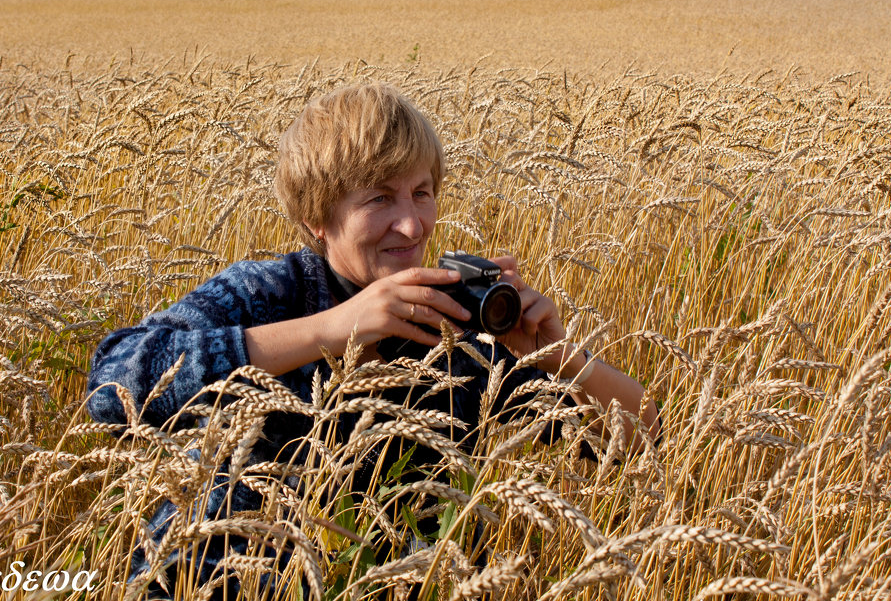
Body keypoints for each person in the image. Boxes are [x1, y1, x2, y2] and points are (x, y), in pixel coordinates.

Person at [86, 83, 659, 597]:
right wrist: (332, 329)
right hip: (214, 579)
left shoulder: (458, 323)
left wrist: (563, 361)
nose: (412, 225)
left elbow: (651, 444)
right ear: (318, 217)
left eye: (423, 192)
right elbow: (111, 385)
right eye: (380, 198)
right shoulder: (273, 293)